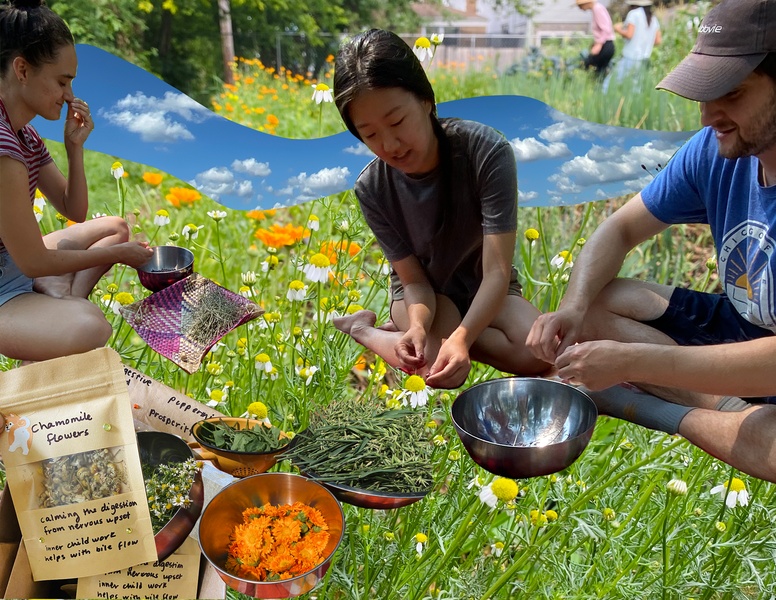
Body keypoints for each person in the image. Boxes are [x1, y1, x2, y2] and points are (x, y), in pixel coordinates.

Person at [526, 0, 776, 483]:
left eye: (732, 94)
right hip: (748, 328)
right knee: (602, 302)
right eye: (703, 94)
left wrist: (638, 361)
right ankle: (730, 412)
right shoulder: (715, 150)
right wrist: (572, 308)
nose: (708, 116)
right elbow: (619, 230)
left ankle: (651, 407)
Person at [330, 29, 549, 389]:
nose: (389, 144)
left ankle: (452, 337)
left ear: (426, 100)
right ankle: (364, 330)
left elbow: (495, 272)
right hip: (422, 297)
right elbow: (413, 280)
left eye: (397, 121)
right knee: (434, 369)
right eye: (369, 134)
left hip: (488, 287)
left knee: (538, 354)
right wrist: (417, 327)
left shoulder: (486, 151)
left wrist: (462, 338)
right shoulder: (372, 188)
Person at [0, 0, 153, 363]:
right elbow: (34, 261)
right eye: (61, 81)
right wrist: (121, 256)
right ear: (22, 69)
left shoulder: (25, 136)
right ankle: (53, 322)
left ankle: (54, 308)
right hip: (7, 286)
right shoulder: (4, 152)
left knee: (114, 227)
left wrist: (74, 148)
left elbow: (74, 210)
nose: (69, 95)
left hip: (13, 264)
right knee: (92, 326)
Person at [604, 0, 662, 92]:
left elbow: (629, 35)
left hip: (630, 56)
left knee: (609, 84)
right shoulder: (653, 18)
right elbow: (658, 41)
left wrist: (617, 29)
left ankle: (604, 103)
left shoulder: (634, 14)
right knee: (635, 88)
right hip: (644, 58)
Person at [576, 0, 616, 79]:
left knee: (587, 64)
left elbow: (606, 29)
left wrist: (599, 44)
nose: (580, 8)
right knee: (599, 71)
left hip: (605, 45)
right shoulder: (596, 9)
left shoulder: (597, 9)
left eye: (580, 6)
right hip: (606, 44)